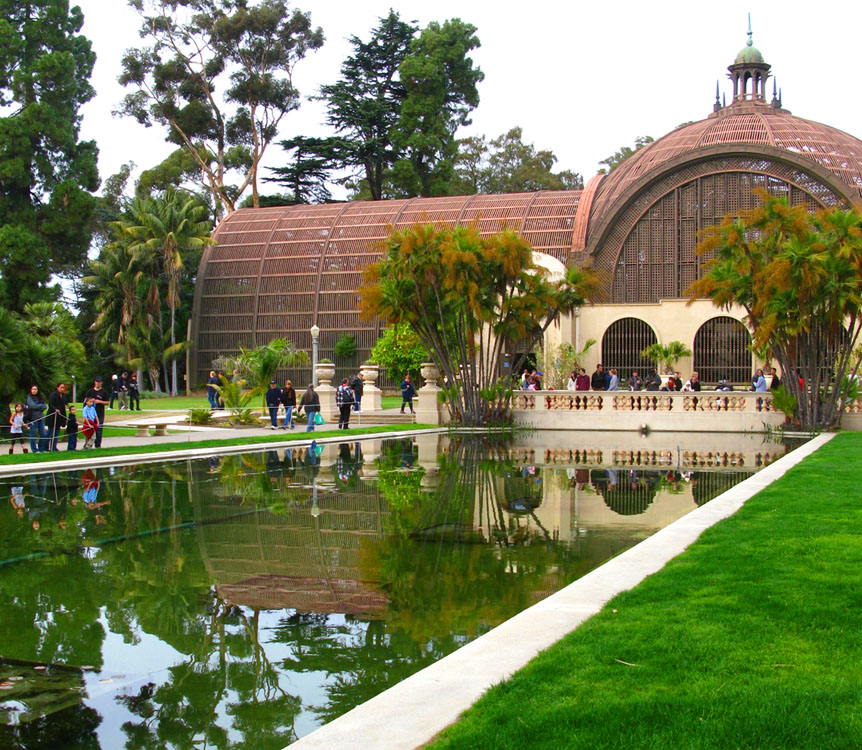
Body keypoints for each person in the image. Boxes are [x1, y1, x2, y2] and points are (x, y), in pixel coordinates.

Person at [83, 376, 110, 448]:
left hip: (99, 413)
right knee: (89, 429)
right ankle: (88, 444)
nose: (97, 383)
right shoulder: (90, 391)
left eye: (99, 382)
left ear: (101, 383)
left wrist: (100, 401)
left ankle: (98, 445)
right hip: (90, 414)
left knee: (99, 428)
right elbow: (85, 402)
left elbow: (107, 402)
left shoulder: (103, 392)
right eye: (96, 381)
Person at [25, 385, 49, 453]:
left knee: (43, 434)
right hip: (33, 418)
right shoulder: (29, 397)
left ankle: (41, 448)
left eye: (35, 389)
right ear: (31, 390)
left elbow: (45, 406)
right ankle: (34, 450)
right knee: (33, 434)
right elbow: (32, 406)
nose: (34, 391)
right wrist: (40, 406)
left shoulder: (40, 397)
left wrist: (39, 407)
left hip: (41, 417)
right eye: (33, 389)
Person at [47, 382, 68, 452]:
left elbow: (63, 406)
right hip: (52, 416)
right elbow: (50, 404)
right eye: (61, 387)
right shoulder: (53, 395)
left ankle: (54, 447)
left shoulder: (63, 395)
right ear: (57, 387)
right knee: (51, 433)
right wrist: (55, 409)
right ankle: (47, 446)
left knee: (56, 433)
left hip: (59, 417)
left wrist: (64, 418)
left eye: (63, 388)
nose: (62, 389)